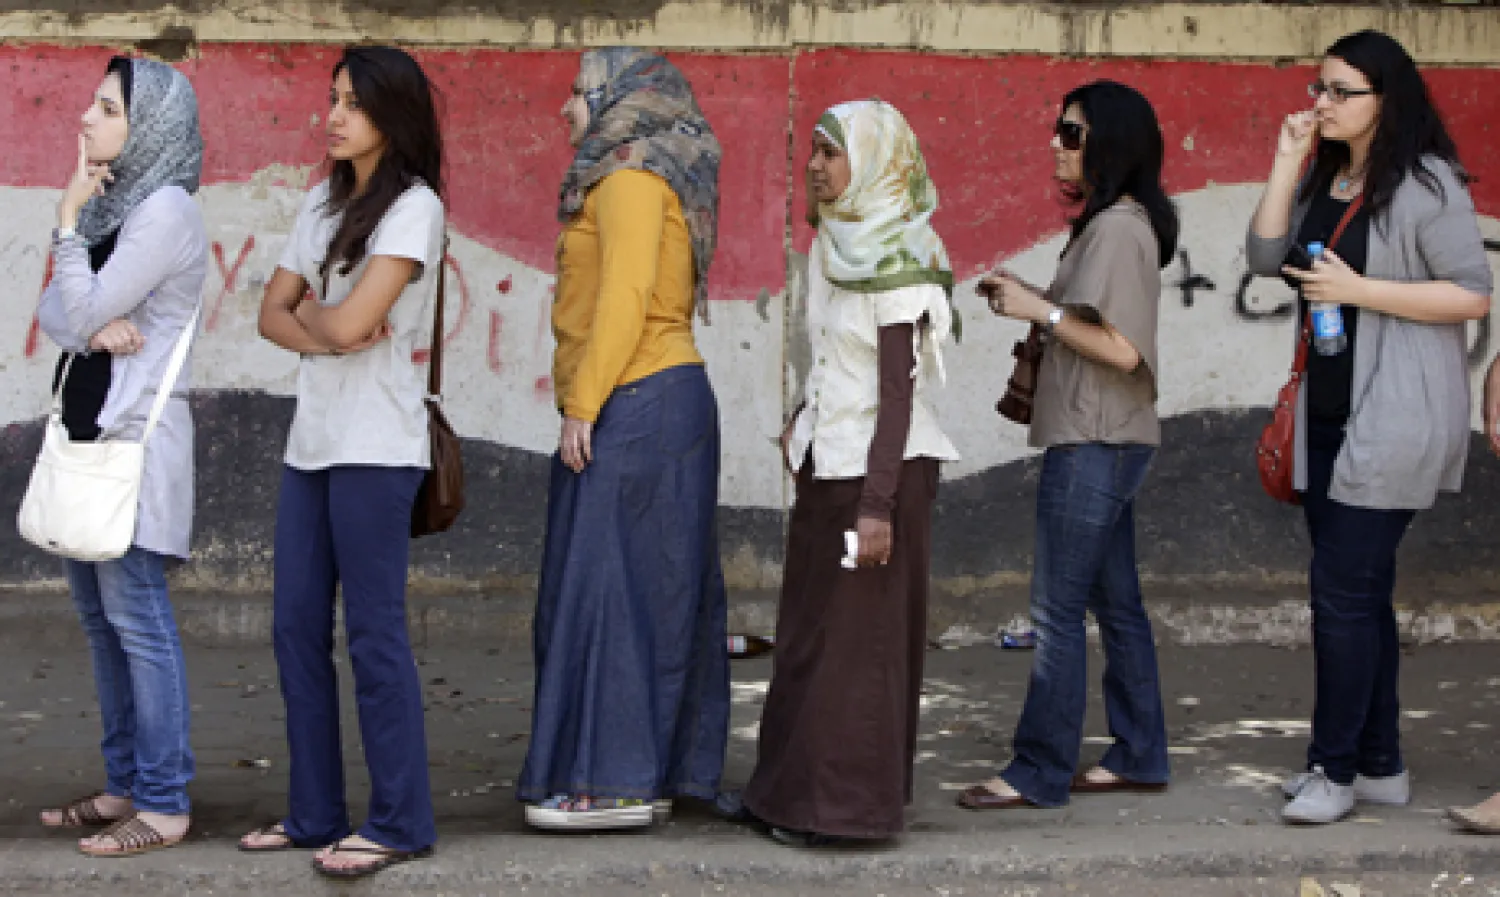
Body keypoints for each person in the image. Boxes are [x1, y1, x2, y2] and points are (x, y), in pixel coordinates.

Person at [1248, 30, 1492, 826]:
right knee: (1362, 594)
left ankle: (1335, 768)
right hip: (1328, 414)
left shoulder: (1426, 184)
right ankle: (1380, 763)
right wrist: (1288, 158)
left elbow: (1471, 294)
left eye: (1340, 92)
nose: (1320, 103)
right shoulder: (1332, 171)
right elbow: (1263, 257)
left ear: (1387, 98)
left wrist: (1362, 288)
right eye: (1317, 87)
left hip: (1396, 415)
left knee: (1340, 596)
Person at [237, 46, 445, 877]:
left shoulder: (416, 209)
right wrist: (337, 326)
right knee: (293, 628)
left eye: (352, 103)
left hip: (378, 449)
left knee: (373, 635)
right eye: (332, 98)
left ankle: (399, 817)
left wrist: (322, 321)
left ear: (391, 118)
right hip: (311, 444)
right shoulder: (319, 204)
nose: (333, 115)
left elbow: (338, 321)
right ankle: (315, 809)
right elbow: (271, 316)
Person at [516, 47, 730, 832]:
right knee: (643, 591)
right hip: (641, 400)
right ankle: (651, 772)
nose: (565, 108)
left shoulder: (632, 176)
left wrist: (583, 403)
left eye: (577, 92)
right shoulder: (622, 174)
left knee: (615, 595)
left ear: (616, 97)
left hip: (639, 399)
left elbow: (627, 294)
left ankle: (612, 782)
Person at [737, 99, 959, 847]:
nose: (819, 167)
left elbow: (897, 397)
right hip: (827, 466)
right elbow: (836, 362)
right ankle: (785, 795)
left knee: (856, 650)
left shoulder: (900, 257)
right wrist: (802, 422)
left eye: (834, 153)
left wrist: (877, 505)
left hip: (879, 476)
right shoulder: (835, 245)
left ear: (875, 161)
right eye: (815, 153)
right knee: (806, 635)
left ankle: (846, 812)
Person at [956, 80, 1178, 813]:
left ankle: (1037, 769)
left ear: (1110, 144)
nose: (1057, 143)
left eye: (1073, 133)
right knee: (1118, 606)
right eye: (1059, 129)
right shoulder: (1111, 224)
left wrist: (1037, 309)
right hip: (1103, 436)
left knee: (1056, 612)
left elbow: (1122, 349)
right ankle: (1140, 751)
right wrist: (1033, 300)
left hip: (1094, 440)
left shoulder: (1119, 227)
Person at [34, 56, 207, 858]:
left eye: (106, 108)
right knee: (103, 624)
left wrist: (68, 222)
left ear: (152, 129)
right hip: (89, 442)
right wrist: (92, 322)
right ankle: (126, 783)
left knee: (139, 622)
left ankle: (164, 800)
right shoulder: (121, 206)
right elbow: (56, 310)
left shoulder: (164, 210)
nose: (86, 118)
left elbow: (82, 300)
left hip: (133, 446)